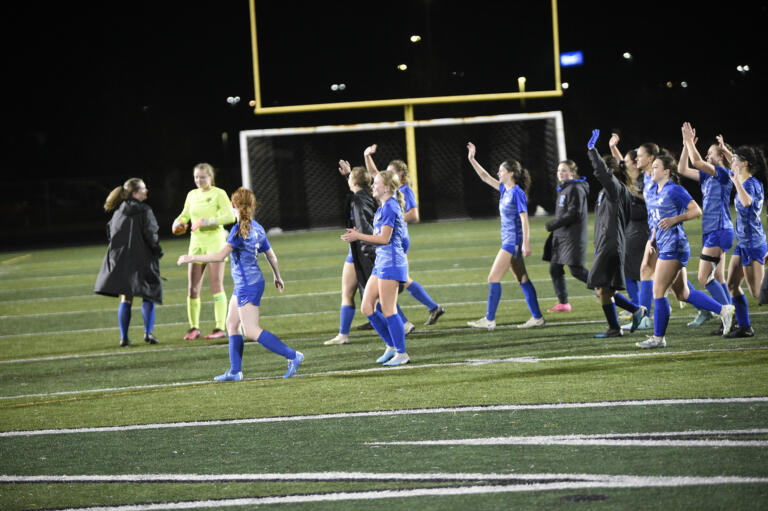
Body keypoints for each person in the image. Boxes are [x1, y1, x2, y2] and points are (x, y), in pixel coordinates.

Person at [177, 187, 304, 380]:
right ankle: (235, 371)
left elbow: (220, 256)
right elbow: (271, 255)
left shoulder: (238, 230)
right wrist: (277, 276)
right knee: (231, 324)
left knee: (251, 330)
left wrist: (190, 257)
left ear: (233, 205)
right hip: (250, 282)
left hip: (247, 285)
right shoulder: (257, 227)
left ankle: (293, 355)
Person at [635, 150, 735, 348]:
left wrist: (675, 219)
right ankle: (724, 310)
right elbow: (656, 220)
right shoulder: (655, 190)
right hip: (662, 244)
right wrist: (652, 240)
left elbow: (696, 210)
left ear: (667, 172)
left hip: (675, 245)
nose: (652, 170)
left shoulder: (674, 190)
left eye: (656, 167)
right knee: (683, 293)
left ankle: (658, 338)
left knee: (658, 290)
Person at [364, 144, 446, 330]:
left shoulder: (402, 192)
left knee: (394, 282)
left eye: (391, 172)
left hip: (397, 240)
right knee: (400, 280)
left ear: (400, 174)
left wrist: (391, 220)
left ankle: (404, 323)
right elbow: (376, 174)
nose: (386, 175)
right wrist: (367, 156)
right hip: (394, 239)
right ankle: (430, 308)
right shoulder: (389, 192)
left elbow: (414, 215)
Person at [465, 142, 545, 330]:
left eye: (501, 170)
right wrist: (472, 159)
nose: (498, 173)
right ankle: (537, 317)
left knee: (493, 278)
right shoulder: (504, 189)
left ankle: (489, 319)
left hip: (512, 242)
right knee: (522, 279)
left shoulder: (517, 193)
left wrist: (525, 243)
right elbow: (484, 177)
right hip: (509, 240)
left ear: (511, 173)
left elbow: (525, 219)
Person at [341, 170, 411, 366]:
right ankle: (390, 346)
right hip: (381, 262)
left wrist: (358, 236)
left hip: (391, 263)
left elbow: (384, 239)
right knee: (366, 307)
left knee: (388, 309)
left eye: (377, 183)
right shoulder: (382, 207)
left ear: (387, 188)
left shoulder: (390, 207)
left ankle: (402, 353)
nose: (373, 186)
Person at [585, 130, 647, 338]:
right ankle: (634, 311)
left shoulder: (615, 189)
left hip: (610, 245)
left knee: (601, 288)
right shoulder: (613, 192)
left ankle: (615, 327)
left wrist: (592, 151)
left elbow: (601, 173)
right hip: (607, 243)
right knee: (603, 289)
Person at [95, 178, 163, 347]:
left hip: (122, 260)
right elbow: (151, 233)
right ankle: (148, 333)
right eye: (143, 188)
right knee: (149, 294)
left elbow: (111, 233)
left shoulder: (119, 211)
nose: (146, 191)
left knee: (126, 297)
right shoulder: (144, 210)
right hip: (143, 259)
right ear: (135, 192)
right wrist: (156, 250)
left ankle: (124, 337)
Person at [680, 123, 735, 330]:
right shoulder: (708, 175)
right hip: (715, 230)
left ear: (721, 157)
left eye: (710, 153)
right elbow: (683, 169)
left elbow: (696, 161)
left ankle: (728, 314)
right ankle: (730, 317)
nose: (707, 155)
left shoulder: (721, 172)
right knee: (719, 277)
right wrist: (686, 146)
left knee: (704, 277)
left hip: (719, 230)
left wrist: (687, 140)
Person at [173, 163, 236, 341]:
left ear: (210, 177)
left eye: (202, 177)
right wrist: (177, 222)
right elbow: (185, 214)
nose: (199, 180)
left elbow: (230, 216)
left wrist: (206, 222)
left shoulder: (219, 193)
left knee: (216, 285)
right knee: (192, 288)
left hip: (215, 243)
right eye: (196, 177)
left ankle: (219, 328)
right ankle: (194, 328)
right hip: (196, 243)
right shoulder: (191, 195)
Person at [325, 162, 378, 345]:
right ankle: (343, 335)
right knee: (347, 292)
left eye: (350, 178)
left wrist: (363, 245)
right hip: (355, 251)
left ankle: (400, 327)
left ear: (354, 182)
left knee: (375, 298)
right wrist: (349, 175)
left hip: (365, 250)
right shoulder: (363, 194)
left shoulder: (359, 199)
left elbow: (365, 228)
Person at [722, 145, 768, 338]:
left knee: (758, 293)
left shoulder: (750, 184)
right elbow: (733, 163)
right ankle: (745, 326)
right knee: (731, 284)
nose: (731, 162)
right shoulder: (744, 178)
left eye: (735, 159)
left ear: (744, 163)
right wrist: (724, 148)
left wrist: (735, 183)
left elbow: (747, 202)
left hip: (753, 243)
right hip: (743, 243)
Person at [609, 133, 648, 320]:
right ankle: (635, 306)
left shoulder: (643, 180)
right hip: (632, 227)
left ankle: (639, 309)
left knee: (644, 272)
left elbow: (648, 199)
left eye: (627, 160)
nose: (623, 163)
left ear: (635, 163)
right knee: (632, 271)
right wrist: (612, 148)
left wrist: (634, 192)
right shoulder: (631, 177)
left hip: (643, 229)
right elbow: (621, 162)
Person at [544, 159, 589, 312]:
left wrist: (553, 224)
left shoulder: (576, 188)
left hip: (572, 237)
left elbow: (574, 214)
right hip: (561, 236)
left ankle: (603, 287)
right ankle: (563, 303)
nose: (560, 173)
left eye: (564, 170)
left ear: (573, 172)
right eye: (559, 170)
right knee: (555, 268)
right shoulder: (566, 188)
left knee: (576, 270)